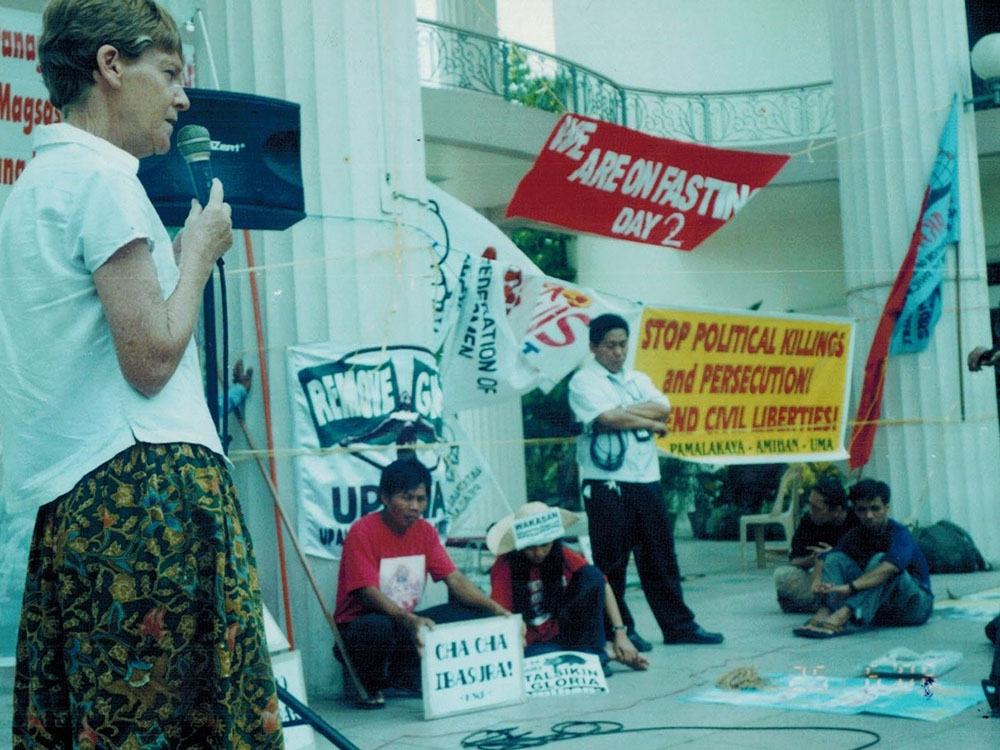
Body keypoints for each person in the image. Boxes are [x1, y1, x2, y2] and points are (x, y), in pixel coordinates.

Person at [0, 1, 282, 747]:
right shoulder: (101, 182)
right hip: (147, 493)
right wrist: (195, 256)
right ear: (110, 66)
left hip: (75, 505)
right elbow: (153, 357)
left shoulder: (33, 191)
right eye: (170, 73)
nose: (183, 98)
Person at [568, 313, 723, 648]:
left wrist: (629, 410)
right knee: (613, 560)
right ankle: (620, 629)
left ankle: (679, 626)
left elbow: (663, 407)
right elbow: (606, 418)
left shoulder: (637, 378)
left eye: (623, 344)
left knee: (659, 556)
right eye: (610, 345)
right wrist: (648, 423)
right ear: (594, 346)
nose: (618, 352)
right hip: (606, 481)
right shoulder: (584, 381)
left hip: (645, 478)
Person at [333, 458, 514, 707]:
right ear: (385, 498)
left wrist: (496, 610)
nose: (415, 507)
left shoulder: (425, 531)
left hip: (404, 622)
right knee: (377, 627)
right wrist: (411, 621)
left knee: (472, 612)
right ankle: (369, 683)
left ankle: (403, 675)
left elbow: (455, 579)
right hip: (362, 626)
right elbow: (367, 593)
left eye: (421, 499)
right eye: (406, 498)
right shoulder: (362, 531)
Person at [487, 502, 649, 677]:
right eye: (531, 547)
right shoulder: (504, 566)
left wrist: (621, 635)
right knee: (537, 660)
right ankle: (601, 653)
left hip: (563, 632)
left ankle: (596, 651)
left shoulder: (562, 554)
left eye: (545, 545)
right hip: (533, 643)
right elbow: (501, 615)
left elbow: (601, 583)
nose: (539, 552)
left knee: (591, 574)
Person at [793, 479, 933, 638]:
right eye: (862, 510)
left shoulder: (899, 533)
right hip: (881, 609)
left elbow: (891, 567)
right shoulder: (857, 533)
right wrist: (816, 581)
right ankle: (826, 611)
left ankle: (842, 615)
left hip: (915, 607)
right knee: (836, 558)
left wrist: (851, 587)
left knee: (881, 562)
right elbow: (825, 557)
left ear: (887, 509)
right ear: (856, 511)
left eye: (875, 509)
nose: (869, 515)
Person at [773, 476, 858, 613]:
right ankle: (830, 602)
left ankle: (827, 602)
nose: (811, 511)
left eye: (817, 508)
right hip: (818, 579)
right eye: (810, 505)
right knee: (782, 575)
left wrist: (834, 555)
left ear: (836, 510)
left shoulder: (856, 520)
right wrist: (813, 559)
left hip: (847, 579)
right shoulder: (809, 520)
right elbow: (794, 560)